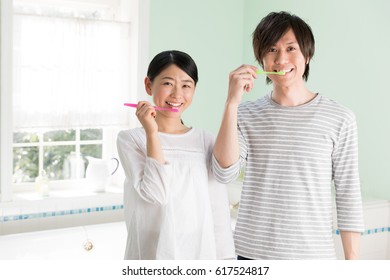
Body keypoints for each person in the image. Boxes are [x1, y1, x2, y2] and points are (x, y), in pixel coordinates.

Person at [212, 11, 364, 260]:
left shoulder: (340, 118)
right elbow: (224, 173)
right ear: (261, 60)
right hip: (250, 254)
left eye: (291, 48)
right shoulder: (245, 114)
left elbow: (348, 192)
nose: (281, 59)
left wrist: (352, 263)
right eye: (271, 49)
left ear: (308, 54)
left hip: (313, 257)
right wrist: (231, 103)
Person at [116, 50, 235, 260]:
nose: (177, 94)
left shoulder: (205, 140)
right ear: (148, 85)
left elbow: (217, 207)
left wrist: (226, 259)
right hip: (150, 253)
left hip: (198, 252)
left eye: (186, 85)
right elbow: (156, 194)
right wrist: (152, 133)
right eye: (168, 83)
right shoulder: (131, 140)